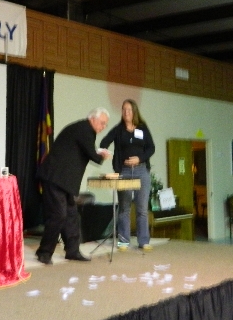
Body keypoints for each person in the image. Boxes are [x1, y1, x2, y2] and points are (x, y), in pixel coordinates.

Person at [36, 108, 112, 265]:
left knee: (71, 216)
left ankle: (72, 250)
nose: (103, 127)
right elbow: (93, 155)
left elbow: (84, 150)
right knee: (58, 215)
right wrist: (102, 155)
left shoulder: (83, 129)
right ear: (93, 119)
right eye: (102, 123)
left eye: (105, 124)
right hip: (55, 178)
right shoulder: (85, 129)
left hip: (64, 181)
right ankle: (44, 252)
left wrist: (97, 153)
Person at [100, 99, 156, 251]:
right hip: (124, 171)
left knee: (142, 208)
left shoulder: (142, 128)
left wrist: (140, 158)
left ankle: (143, 241)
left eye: (129, 110)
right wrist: (105, 153)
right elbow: (104, 142)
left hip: (141, 170)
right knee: (124, 208)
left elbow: (151, 148)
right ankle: (123, 241)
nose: (126, 112)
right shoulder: (118, 129)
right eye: (124, 109)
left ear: (134, 111)